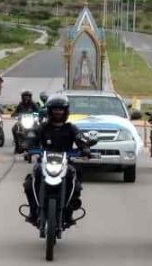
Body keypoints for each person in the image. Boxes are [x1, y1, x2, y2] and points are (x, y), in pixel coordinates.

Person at [23, 94, 91, 227]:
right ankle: (33, 211)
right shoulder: (42, 127)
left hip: (66, 163)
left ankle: (69, 211)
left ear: (66, 111)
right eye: (55, 109)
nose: (58, 112)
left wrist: (85, 148)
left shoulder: (71, 128)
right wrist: (26, 145)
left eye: (61, 109)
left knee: (75, 180)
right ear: (49, 110)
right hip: (44, 162)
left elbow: (81, 139)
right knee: (29, 183)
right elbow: (32, 138)